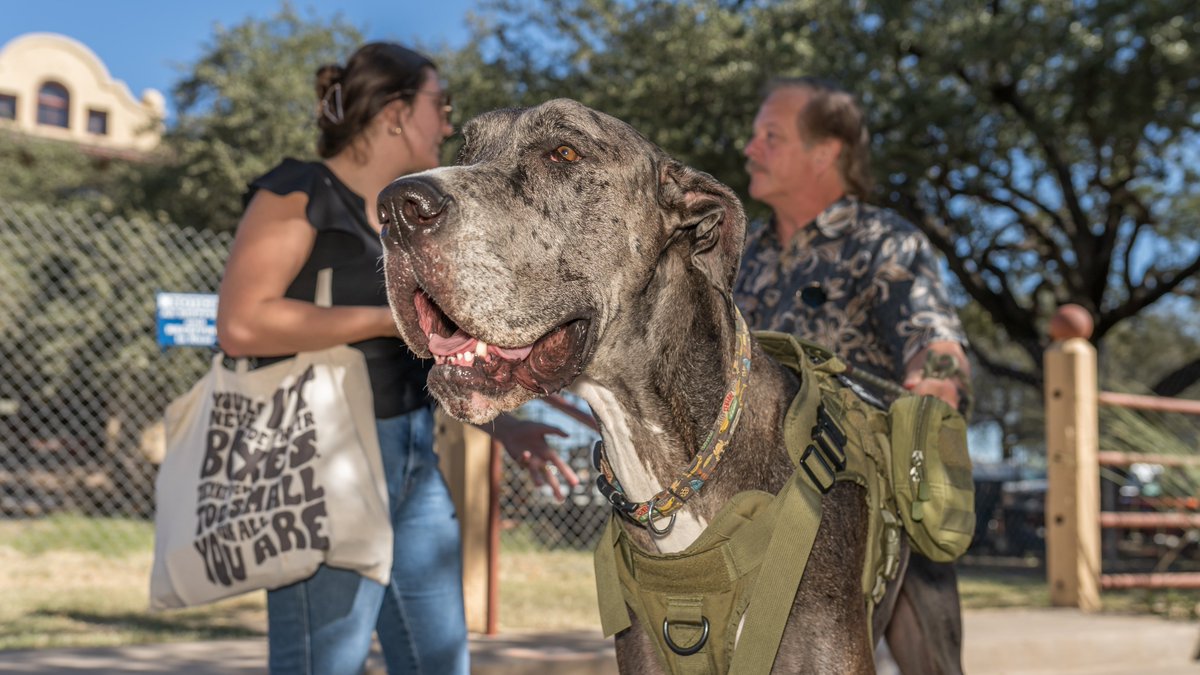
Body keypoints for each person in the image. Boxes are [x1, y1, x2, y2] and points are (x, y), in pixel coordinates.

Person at [216, 42, 574, 675]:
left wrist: (505, 426)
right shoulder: (299, 190)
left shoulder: (409, 219)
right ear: (394, 113)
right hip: (322, 462)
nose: (449, 121)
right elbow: (242, 323)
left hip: (413, 459)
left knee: (440, 662)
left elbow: (418, 363)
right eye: (440, 104)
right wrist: (390, 319)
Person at [734, 76, 972, 674]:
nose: (749, 148)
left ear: (826, 151)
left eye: (771, 135)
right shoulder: (737, 257)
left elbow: (933, 336)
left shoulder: (885, 242)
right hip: (748, 507)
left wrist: (937, 385)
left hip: (874, 499)